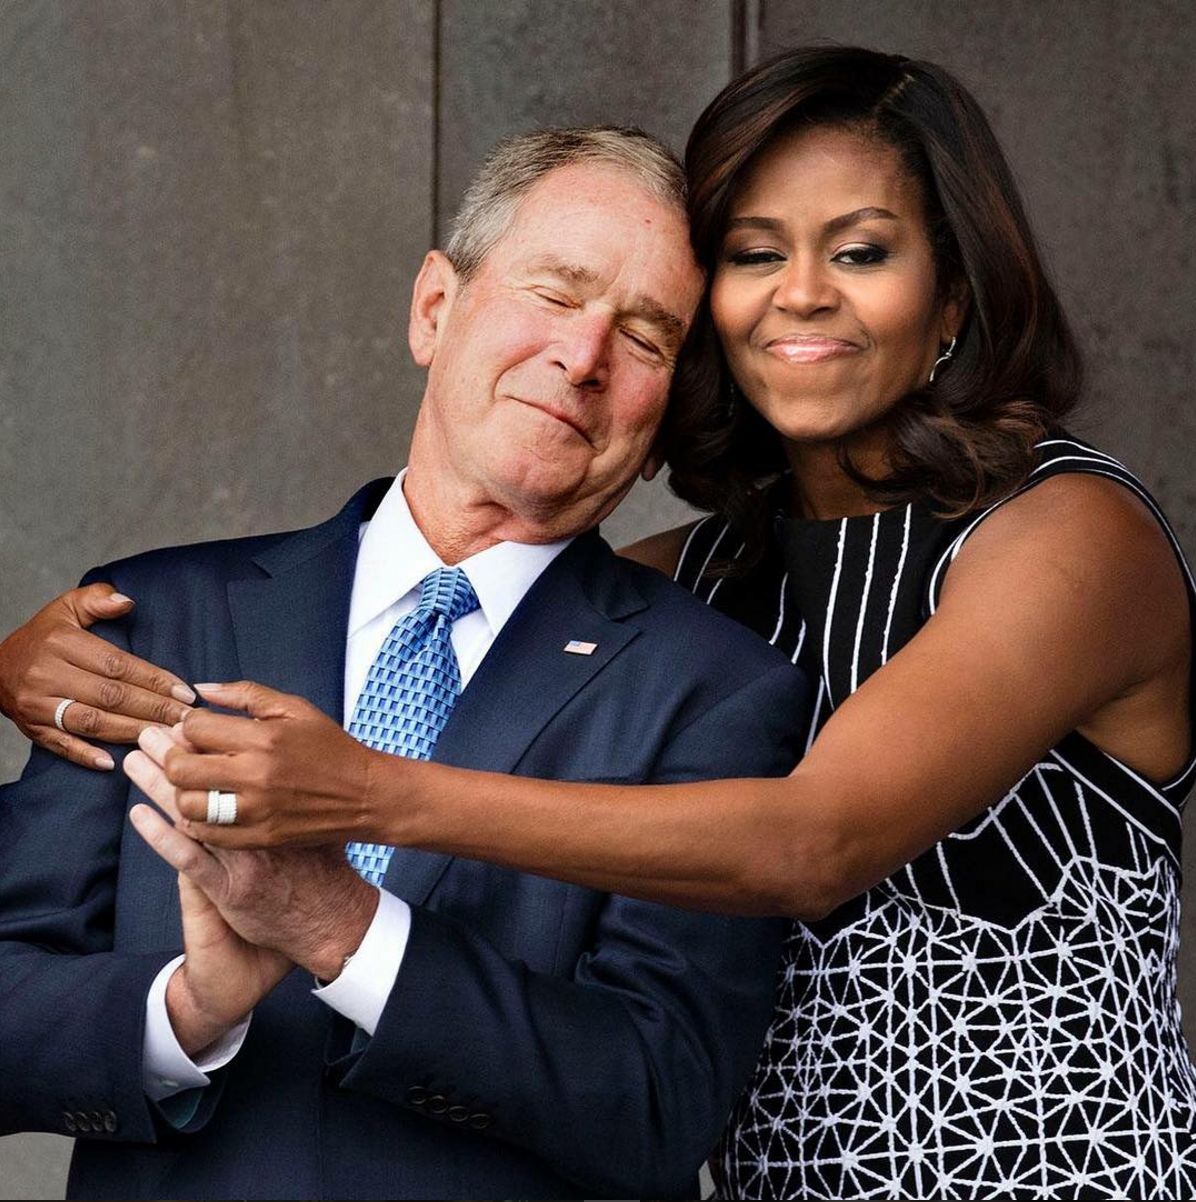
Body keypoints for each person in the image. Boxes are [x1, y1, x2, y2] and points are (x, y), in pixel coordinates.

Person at [5, 44, 1196, 1199]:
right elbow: (509, 593)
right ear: (435, 307)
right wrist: (23, 668)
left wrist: (363, 809)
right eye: (753, 252)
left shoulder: (1063, 533)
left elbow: (807, 847)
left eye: (863, 250)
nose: (801, 291)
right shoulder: (704, 574)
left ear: (952, 297)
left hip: (1050, 1164)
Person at [0, 126, 811, 1200]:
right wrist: (187, 1010)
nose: (582, 357)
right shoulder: (149, 621)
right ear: (435, 308)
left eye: (646, 337)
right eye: (555, 293)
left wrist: (344, 928)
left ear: (661, 426)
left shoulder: (714, 692)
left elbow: (658, 1102)